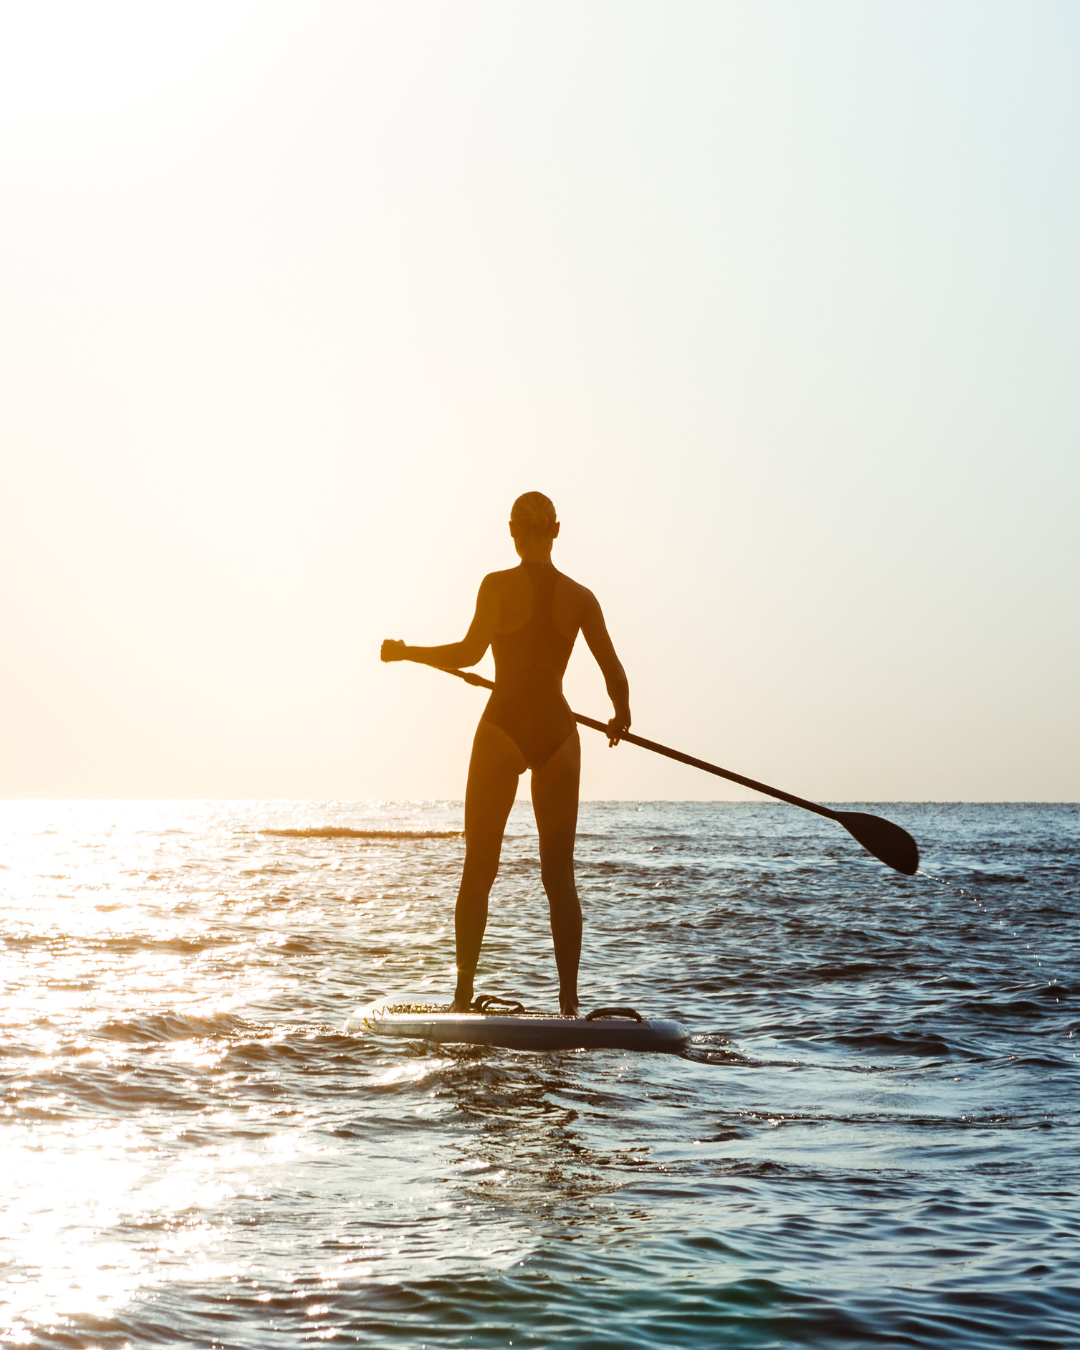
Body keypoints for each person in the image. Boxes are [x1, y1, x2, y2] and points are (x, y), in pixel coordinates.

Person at [381, 492, 631, 1016]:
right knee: (559, 877)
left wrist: (407, 653)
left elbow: (469, 653)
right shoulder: (581, 598)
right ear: (556, 530)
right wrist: (620, 715)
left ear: (513, 531)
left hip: (504, 728)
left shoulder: (496, 585)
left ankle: (462, 997)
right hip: (559, 734)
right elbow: (614, 672)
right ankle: (569, 1005)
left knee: (479, 869)